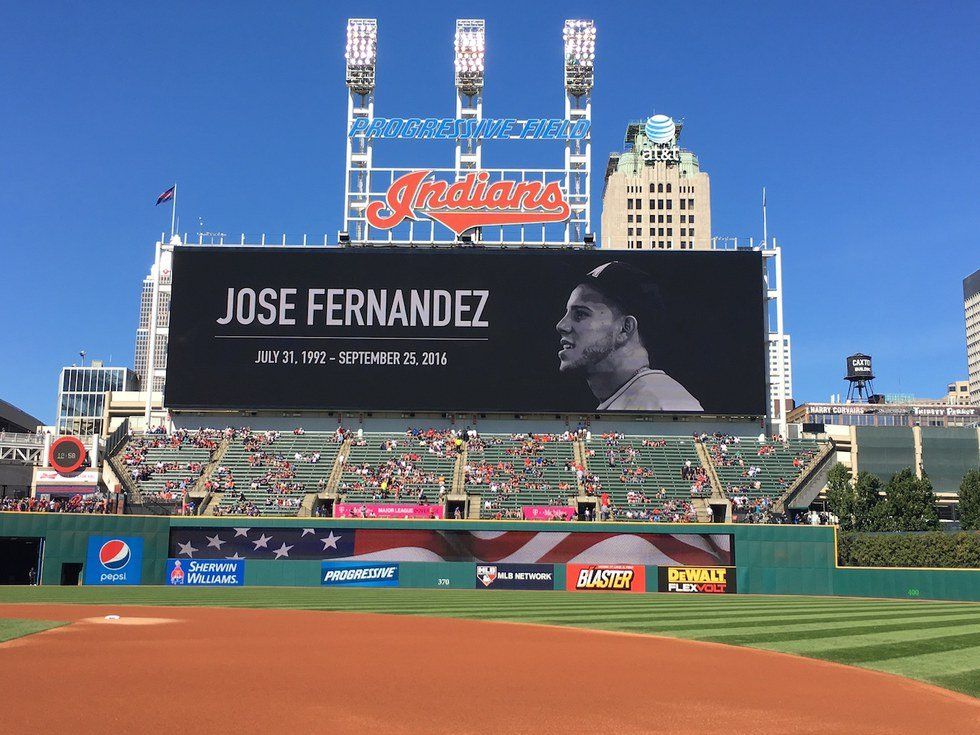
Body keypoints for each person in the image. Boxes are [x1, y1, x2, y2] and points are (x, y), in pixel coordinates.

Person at [555, 261, 703, 412]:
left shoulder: (665, 402)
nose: (561, 325)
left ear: (625, 329)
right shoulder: (632, 397)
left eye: (580, 314)